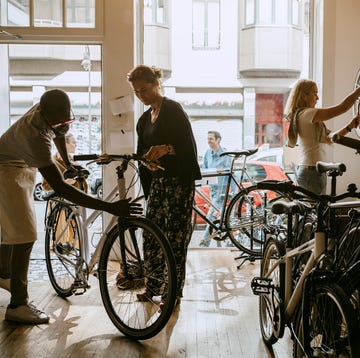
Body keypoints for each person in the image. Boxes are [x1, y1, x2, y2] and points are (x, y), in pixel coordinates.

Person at [0, 89, 141, 325]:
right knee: (24, 234)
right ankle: (18, 305)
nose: (66, 126)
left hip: (20, 164)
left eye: (69, 119)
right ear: (45, 114)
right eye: (61, 122)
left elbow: (57, 133)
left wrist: (67, 163)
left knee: (13, 229)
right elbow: (62, 188)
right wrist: (110, 207)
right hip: (5, 169)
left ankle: (4, 273)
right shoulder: (34, 136)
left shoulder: (47, 114)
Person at [127, 65, 201, 307]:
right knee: (151, 236)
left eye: (145, 90)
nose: (142, 96)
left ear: (156, 84)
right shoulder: (143, 120)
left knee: (175, 238)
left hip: (179, 183)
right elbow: (140, 155)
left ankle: (172, 292)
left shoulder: (173, 110)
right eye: (137, 92)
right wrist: (146, 162)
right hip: (158, 184)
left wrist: (167, 149)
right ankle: (153, 286)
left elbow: (189, 149)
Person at [284, 79, 360, 194]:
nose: (317, 98)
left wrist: (350, 126)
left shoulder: (304, 115)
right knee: (317, 210)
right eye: (315, 93)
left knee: (317, 210)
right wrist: (358, 90)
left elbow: (330, 139)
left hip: (314, 171)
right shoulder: (306, 114)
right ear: (304, 96)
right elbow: (342, 108)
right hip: (311, 172)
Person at [199, 130, 233, 248]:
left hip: (222, 191)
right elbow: (204, 170)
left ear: (218, 140)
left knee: (211, 216)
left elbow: (231, 174)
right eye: (207, 139)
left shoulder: (225, 155)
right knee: (218, 217)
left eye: (211, 139)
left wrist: (233, 191)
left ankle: (204, 242)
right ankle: (227, 241)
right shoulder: (208, 153)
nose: (208, 141)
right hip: (212, 190)